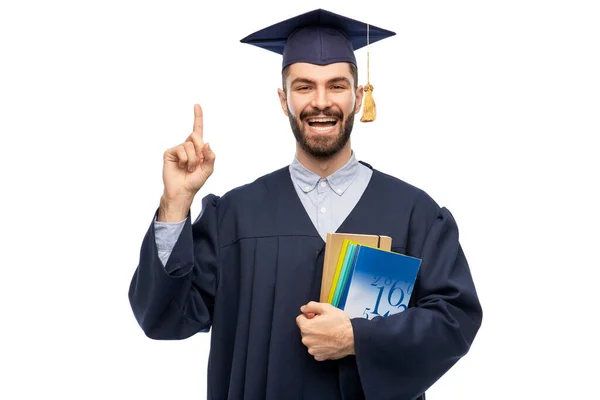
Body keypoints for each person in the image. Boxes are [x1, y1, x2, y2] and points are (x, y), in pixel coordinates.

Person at [128, 8, 482, 400]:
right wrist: (175, 203)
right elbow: (162, 318)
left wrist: (357, 338)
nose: (321, 102)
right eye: (304, 87)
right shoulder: (233, 217)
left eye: (336, 85)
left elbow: (456, 321)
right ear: (284, 100)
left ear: (358, 95)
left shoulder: (415, 215)